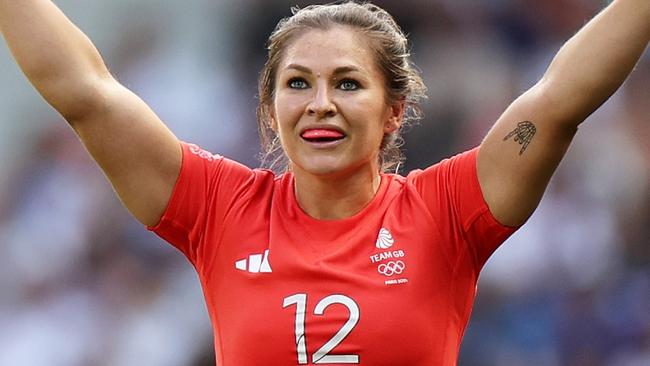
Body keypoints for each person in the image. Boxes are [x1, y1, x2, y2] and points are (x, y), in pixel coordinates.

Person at [1, 0, 648, 365]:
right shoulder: (217, 210)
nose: (320, 104)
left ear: (394, 108)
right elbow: (86, 92)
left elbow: (560, 98)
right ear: (269, 109)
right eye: (297, 84)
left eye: (348, 83)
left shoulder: (447, 212)